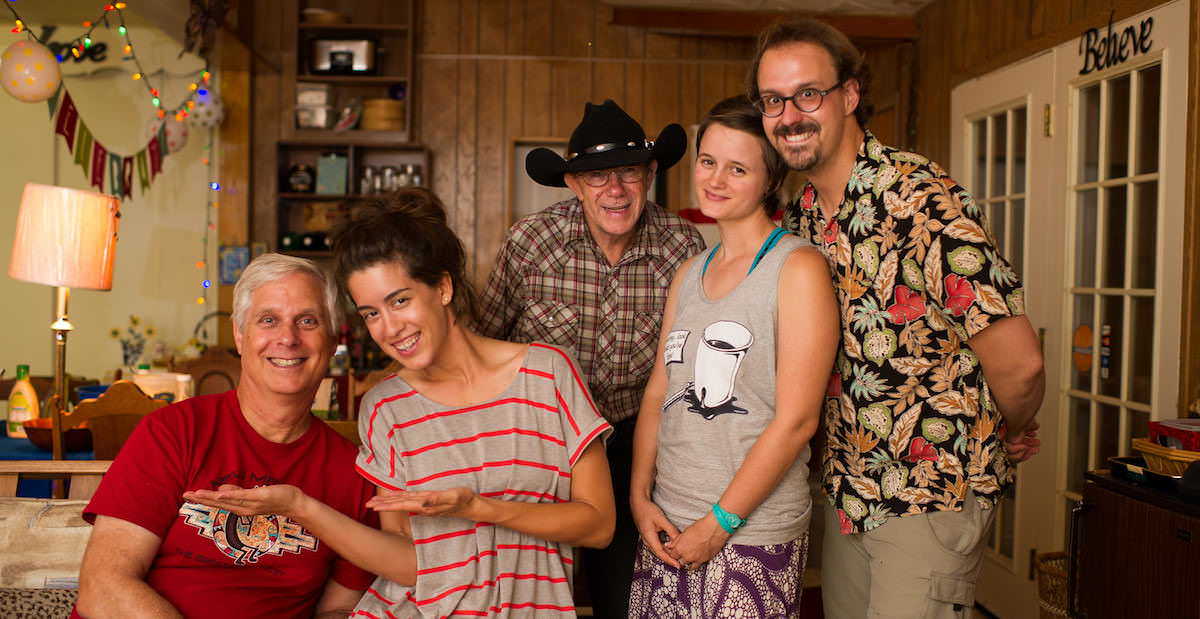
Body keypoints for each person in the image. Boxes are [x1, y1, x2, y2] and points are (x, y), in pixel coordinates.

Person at [186, 188, 616, 618]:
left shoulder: (547, 374)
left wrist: (477, 507)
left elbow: (599, 525)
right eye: (371, 313)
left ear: (442, 287)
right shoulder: (386, 407)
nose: (389, 328)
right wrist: (299, 506)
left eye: (399, 301)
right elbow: (404, 561)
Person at [748, 19, 1047, 618]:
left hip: (928, 493)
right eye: (773, 100)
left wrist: (1009, 428)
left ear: (849, 95)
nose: (789, 116)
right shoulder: (803, 219)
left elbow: (1021, 365)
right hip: (848, 494)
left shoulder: (919, 196)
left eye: (808, 94)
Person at [477, 99, 705, 616]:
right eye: (597, 176)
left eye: (628, 172)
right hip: (539, 446)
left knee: (625, 600)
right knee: (527, 599)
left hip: (632, 448)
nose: (615, 190)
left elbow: (687, 370)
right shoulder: (531, 242)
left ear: (650, 174)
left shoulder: (683, 247)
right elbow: (485, 342)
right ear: (574, 185)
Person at [74, 254, 378, 619]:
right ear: (239, 334)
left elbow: (338, 609)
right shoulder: (173, 432)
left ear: (331, 340)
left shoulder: (355, 474)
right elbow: (103, 588)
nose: (288, 338)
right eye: (269, 320)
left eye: (308, 321)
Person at [627, 95, 838, 617]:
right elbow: (659, 393)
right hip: (667, 521)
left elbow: (797, 420)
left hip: (750, 531)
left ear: (770, 179)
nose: (715, 180)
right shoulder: (689, 272)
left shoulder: (798, 268)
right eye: (708, 161)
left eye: (737, 168)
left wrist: (719, 523)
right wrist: (639, 497)